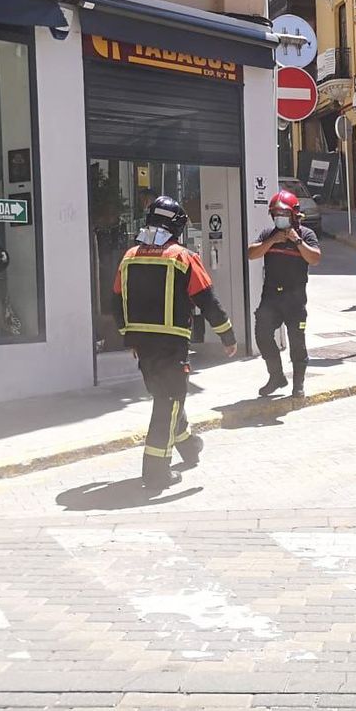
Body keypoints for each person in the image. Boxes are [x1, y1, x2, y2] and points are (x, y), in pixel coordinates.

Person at [113, 196, 237, 491]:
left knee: (166, 396)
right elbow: (207, 301)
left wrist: (128, 335)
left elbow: (116, 301)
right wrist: (228, 336)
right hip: (170, 343)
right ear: (177, 226)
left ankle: (190, 446)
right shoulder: (182, 257)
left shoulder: (129, 255)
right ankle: (155, 473)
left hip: (142, 344)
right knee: (168, 401)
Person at [248, 189, 321, 398]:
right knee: (262, 334)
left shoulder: (306, 235)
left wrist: (296, 241)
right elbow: (251, 253)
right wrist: (272, 241)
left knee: (297, 341)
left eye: (284, 214)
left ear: (294, 215)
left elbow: (315, 258)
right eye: (276, 215)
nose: (279, 218)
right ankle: (276, 376)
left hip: (295, 298)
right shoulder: (268, 235)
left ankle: (298, 385)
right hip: (271, 296)